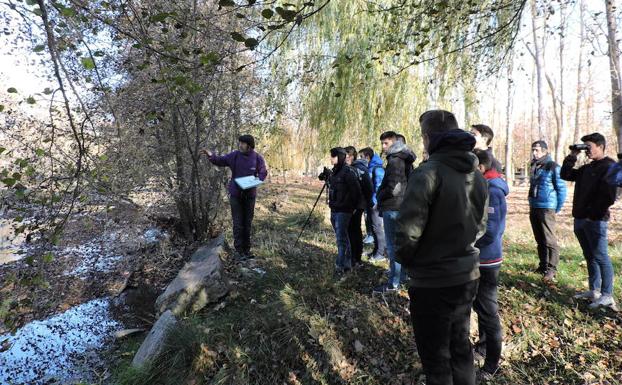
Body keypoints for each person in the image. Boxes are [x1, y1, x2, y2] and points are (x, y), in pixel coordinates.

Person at [395, 110, 488, 385]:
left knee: (436, 358)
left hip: (432, 280)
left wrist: (410, 261)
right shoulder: (477, 175)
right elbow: (481, 227)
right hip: (467, 275)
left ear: (427, 138)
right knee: (460, 348)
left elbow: (407, 233)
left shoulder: (428, 173)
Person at [560, 133, 618, 310]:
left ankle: (607, 295)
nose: (587, 151)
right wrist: (573, 155)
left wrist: (592, 214)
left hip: (595, 220)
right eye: (584, 147)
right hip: (580, 218)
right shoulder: (587, 168)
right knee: (590, 256)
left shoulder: (610, 167)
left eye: (589, 147)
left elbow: (609, 197)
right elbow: (566, 174)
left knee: (601, 257)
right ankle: (595, 290)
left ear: (600, 146)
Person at [473, 149, 509, 381]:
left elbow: (491, 230)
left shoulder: (493, 190)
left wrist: (469, 244)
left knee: (488, 311)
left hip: (486, 259)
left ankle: (492, 363)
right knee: (480, 307)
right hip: (479, 256)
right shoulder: (485, 187)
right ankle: (484, 346)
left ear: (482, 168)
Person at [203, 135, 268, 260]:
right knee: (238, 224)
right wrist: (210, 155)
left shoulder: (257, 158)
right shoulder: (235, 155)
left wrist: (254, 181)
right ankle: (239, 251)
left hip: (250, 196)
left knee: (247, 223)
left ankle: (246, 251)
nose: (240, 145)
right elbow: (220, 160)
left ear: (249, 145)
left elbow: (263, 172)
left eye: (243, 143)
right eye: (240, 143)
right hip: (236, 195)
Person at [374, 131, 416, 293]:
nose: (383, 147)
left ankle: (394, 283)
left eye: (386, 143)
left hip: (392, 207)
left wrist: (379, 195)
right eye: (382, 143)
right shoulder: (405, 157)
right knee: (400, 245)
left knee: (393, 246)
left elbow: (394, 187)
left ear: (394, 142)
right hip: (402, 205)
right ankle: (401, 276)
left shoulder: (395, 159)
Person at [319, 147, 363, 276]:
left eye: (333, 156)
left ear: (340, 157)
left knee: (341, 239)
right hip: (334, 209)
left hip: (344, 211)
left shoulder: (348, 172)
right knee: (343, 238)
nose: (331, 158)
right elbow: (334, 189)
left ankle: (340, 266)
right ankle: (347, 263)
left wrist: (352, 207)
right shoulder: (335, 172)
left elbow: (356, 192)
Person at [528, 140, 567, 281]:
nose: (534, 152)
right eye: (533, 149)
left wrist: (556, 208)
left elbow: (562, 189)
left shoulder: (553, 166)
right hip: (534, 205)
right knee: (539, 238)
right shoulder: (533, 165)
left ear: (545, 151)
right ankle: (543, 265)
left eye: (537, 150)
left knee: (549, 239)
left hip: (547, 207)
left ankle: (552, 269)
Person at [345, 146, 373, 267]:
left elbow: (368, 188)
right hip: (349, 205)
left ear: (351, 156)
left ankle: (356, 258)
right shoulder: (347, 168)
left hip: (357, 206)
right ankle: (352, 256)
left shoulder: (359, 168)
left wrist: (362, 203)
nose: (344, 159)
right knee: (351, 230)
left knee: (354, 231)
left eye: (345, 156)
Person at [359, 147, 386, 262]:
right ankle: (376, 251)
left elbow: (378, 187)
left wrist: (374, 202)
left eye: (362, 157)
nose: (361, 159)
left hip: (375, 204)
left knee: (377, 228)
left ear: (367, 156)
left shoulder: (377, 168)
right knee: (373, 228)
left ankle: (381, 253)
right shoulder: (370, 167)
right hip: (370, 203)